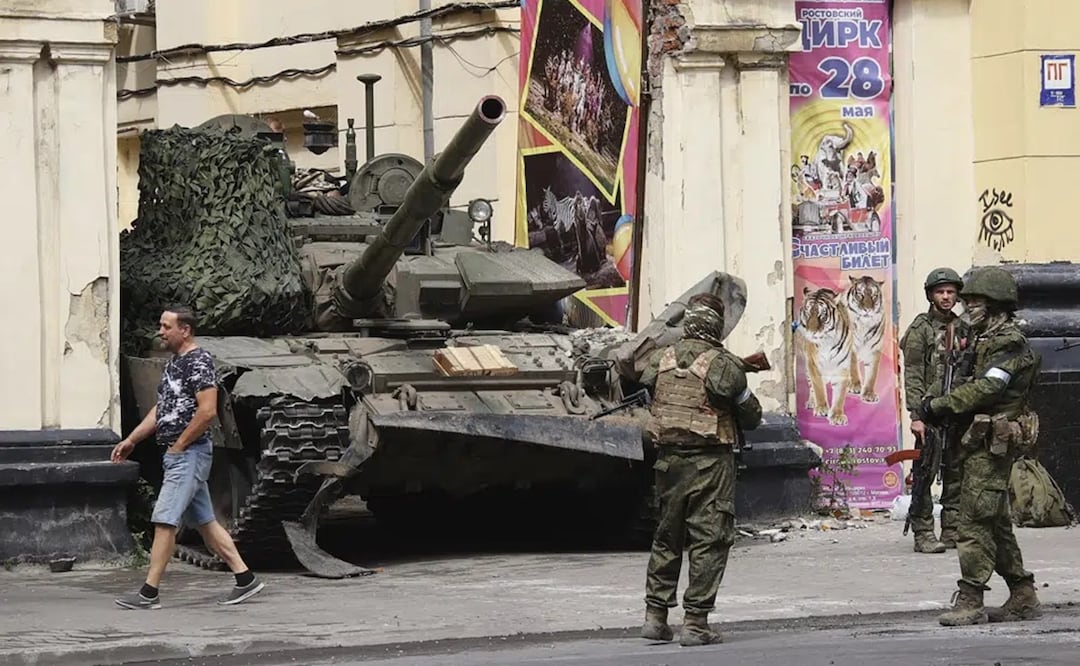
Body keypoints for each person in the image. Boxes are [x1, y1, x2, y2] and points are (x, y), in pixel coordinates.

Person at [111, 305, 265, 610]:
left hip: (188, 454)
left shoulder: (199, 361)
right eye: (161, 325)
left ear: (185, 330)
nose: (161, 331)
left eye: (167, 326)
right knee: (206, 522)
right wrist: (131, 439)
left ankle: (149, 592)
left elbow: (207, 411)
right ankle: (246, 579)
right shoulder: (174, 363)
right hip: (178, 453)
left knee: (165, 520)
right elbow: (162, 409)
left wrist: (180, 445)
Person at [918, 266, 1043, 626]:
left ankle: (971, 598)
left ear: (994, 304)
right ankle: (1023, 594)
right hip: (975, 442)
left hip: (992, 446)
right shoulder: (981, 339)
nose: (965, 303)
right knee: (996, 521)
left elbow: (989, 388)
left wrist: (941, 405)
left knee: (973, 521)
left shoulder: (1007, 343)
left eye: (973, 299)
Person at [638, 293, 763, 646]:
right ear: (716, 325)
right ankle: (695, 623)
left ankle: (655, 617)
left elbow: (652, 390)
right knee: (710, 540)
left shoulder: (661, 359)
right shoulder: (723, 364)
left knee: (667, 536)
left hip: (667, 462)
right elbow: (751, 418)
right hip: (709, 464)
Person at [899, 268, 968, 554]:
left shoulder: (964, 328)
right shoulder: (921, 329)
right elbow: (913, 374)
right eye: (940, 292)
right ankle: (923, 531)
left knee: (956, 471)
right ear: (930, 295)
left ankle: (952, 529)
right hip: (929, 411)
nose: (946, 297)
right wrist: (916, 415)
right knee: (925, 472)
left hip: (957, 409)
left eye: (951, 292)